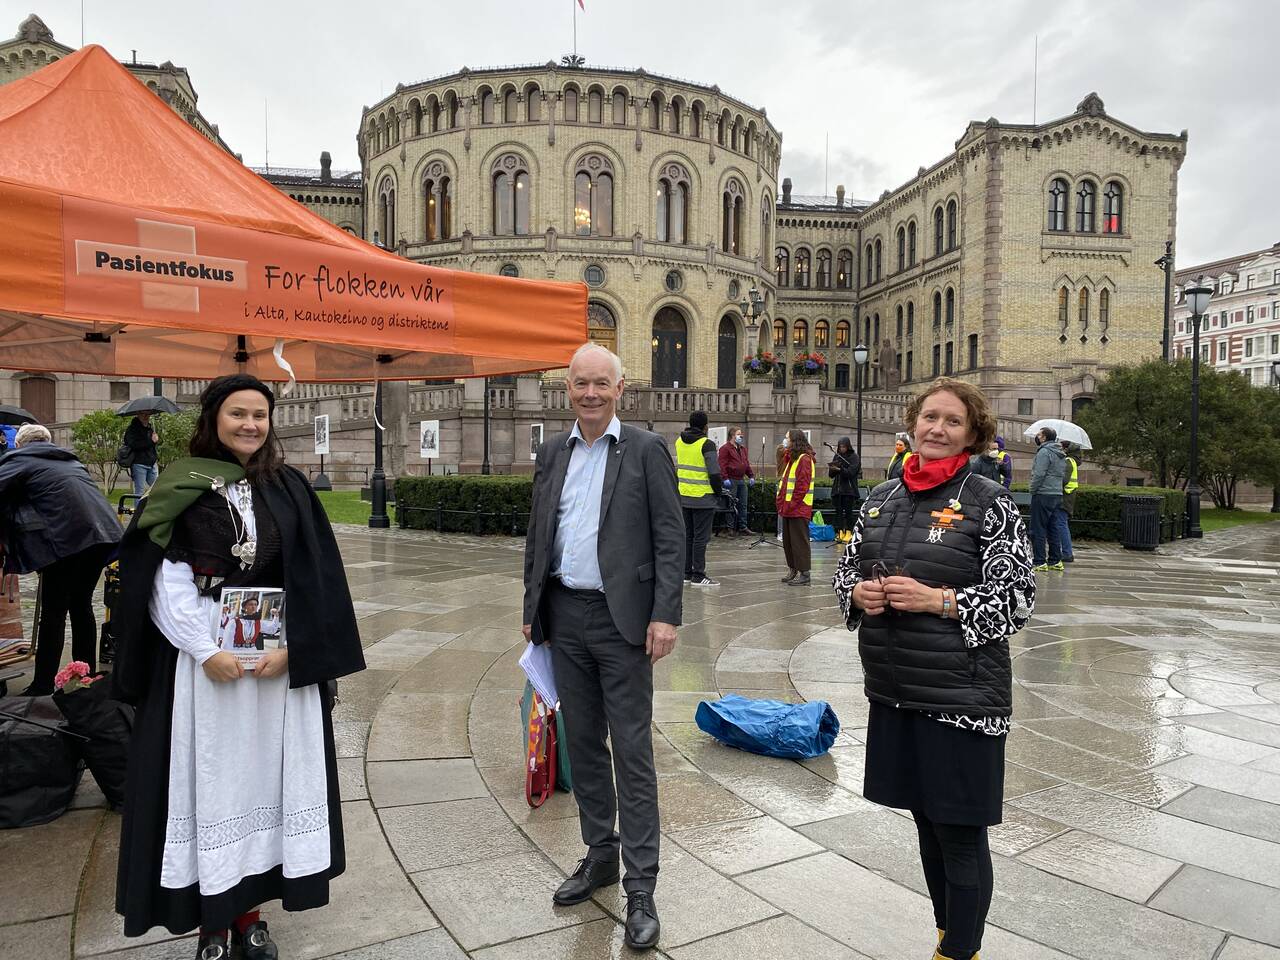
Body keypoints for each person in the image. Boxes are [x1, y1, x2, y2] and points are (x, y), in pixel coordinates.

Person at [111, 374, 366, 960]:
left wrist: (297, 650)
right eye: (237, 414)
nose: (250, 425)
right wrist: (206, 651)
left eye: (260, 414)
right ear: (213, 419)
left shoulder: (289, 486)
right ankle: (213, 923)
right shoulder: (179, 484)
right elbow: (160, 580)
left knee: (267, 784)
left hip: (276, 666)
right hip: (207, 669)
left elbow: (317, 578)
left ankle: (251, 913)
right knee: (212, 786)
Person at [832, 377, 1035, 960]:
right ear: (912, 424)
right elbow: (848, 575)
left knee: (959, 833)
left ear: (972, 434)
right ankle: (948, 935)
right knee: (925, 823)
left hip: (963, 696)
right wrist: (859, 597)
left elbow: (1017, 598)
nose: (937, 430)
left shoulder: (989, 499)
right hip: (895, 689)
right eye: (929, 418)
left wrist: (938, 601)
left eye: (951, 421)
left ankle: (958, 951)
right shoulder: (881, 498)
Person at [521, 343, 683, 951]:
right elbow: (541, 532)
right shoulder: (552, 451)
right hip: (565, 614)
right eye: (580, 384)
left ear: (621, 389)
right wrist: (531, 609)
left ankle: (642, 886)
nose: (590, 393)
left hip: (625, 623)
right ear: (569, 389)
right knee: (582, 744)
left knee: (632, 751)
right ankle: (600, 856)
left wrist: (666, 616)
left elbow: (670, 538)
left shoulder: (645, 449)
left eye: (601, 384)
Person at [0, 423, 121, 696]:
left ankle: (42, 685)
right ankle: (85, 677)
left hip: (68, 541)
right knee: (81, 606)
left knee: (54, 612)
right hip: (102, 536)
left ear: (19, 445)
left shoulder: (20, 459)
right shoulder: (69, 461)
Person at [675, 411, 722, 586]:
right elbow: (714, 473)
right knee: (701, 538)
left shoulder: (679, 441)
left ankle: (686, 573)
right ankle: (699, 575)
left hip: (683, 495)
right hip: (703, 498)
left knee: (688, 536)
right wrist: (718, 492)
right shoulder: (707, 444)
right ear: (705, 426)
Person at [777, 429, 815, 586]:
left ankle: (804, 573)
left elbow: (802, 486)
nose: (785, 441)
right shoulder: (792, 458)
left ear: (795, 441)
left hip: (798, 508)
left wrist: (791, 504)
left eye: (787, 438)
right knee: (789, 542)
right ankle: (793, 569)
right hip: (789, 508)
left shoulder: (804, 459)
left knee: (799, 541)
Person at [1029, 426, 1068, 572]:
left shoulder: (1044, 452)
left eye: (1039, 435)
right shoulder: (1060, 453)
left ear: (1044, 437)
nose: (1037, 437)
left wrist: (1033, 489)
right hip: (1056, 494)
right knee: (1053, 528)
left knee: (1038, 528)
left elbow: (1039, 474)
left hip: (1043, 494)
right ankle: (1055, 560)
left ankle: (1039, 561)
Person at [717, 426, 755, 535]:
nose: (741, 436)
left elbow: (746, 464)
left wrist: (751, 476)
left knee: (743, 504)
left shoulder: (742, 449)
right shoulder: (725, 448)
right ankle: (730, 527)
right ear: (732, 436)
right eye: (739, 434)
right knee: (730, 504)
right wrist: (725, 478)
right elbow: (722, 465)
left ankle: (742, 527)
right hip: (731, 480)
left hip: (741, 480)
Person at [827, 436, 861, 543]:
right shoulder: (837, 457)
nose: (842, 449)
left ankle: (849, 532)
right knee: (838, 513)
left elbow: (851, 472)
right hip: (838, 490)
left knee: (848, 513)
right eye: (840, 446)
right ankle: (840, 531)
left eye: (844, 446)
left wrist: (840, 469)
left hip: (849, 490)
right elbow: (831, 475)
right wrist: (833, 469)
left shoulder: (854, 457)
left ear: (848, 446)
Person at [125, 411, 160, 497]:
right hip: (139, 464)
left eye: (147, 414)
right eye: (143, 414)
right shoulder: (132, 429)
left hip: (152, 463)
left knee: (157, 488)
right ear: (138, 415)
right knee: (139, 492)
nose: (145, 416)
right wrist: (151, 441)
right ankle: (138, 510)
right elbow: (133, 444)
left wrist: (155, 440)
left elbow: (151, 445)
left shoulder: (150, 428)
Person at [1055, 442, 1080, 563]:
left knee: (1061, 524)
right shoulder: (1073, 461)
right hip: (1068, 496)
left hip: (1064, 497)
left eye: (1063, 448)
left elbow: (1063, 480)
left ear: (1067, 450)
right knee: (1061, 524)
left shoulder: (1068, 461)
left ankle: (1067, 553)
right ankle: (1065, 552)